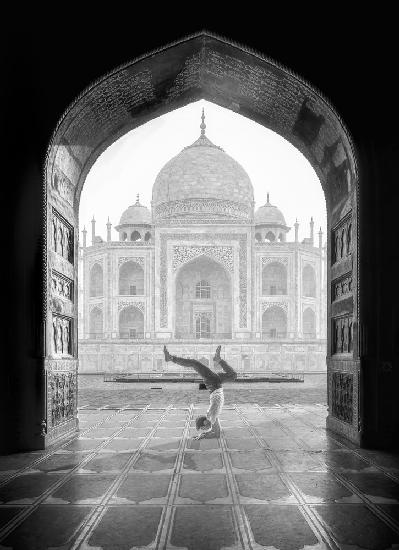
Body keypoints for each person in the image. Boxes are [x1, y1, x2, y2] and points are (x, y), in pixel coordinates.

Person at [163, 345, 237, 439]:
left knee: (195, 364)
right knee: (233, 375)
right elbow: (216, 433)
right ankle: (218, 360)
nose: (204, 429)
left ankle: (171, 358)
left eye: (203, 428)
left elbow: (216, 433)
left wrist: (204, 435)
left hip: (214, 384)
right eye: (203, 429)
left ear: (205, 422)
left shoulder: (211, 415)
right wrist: (204, 435)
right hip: (214, 384)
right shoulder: (211, 415)